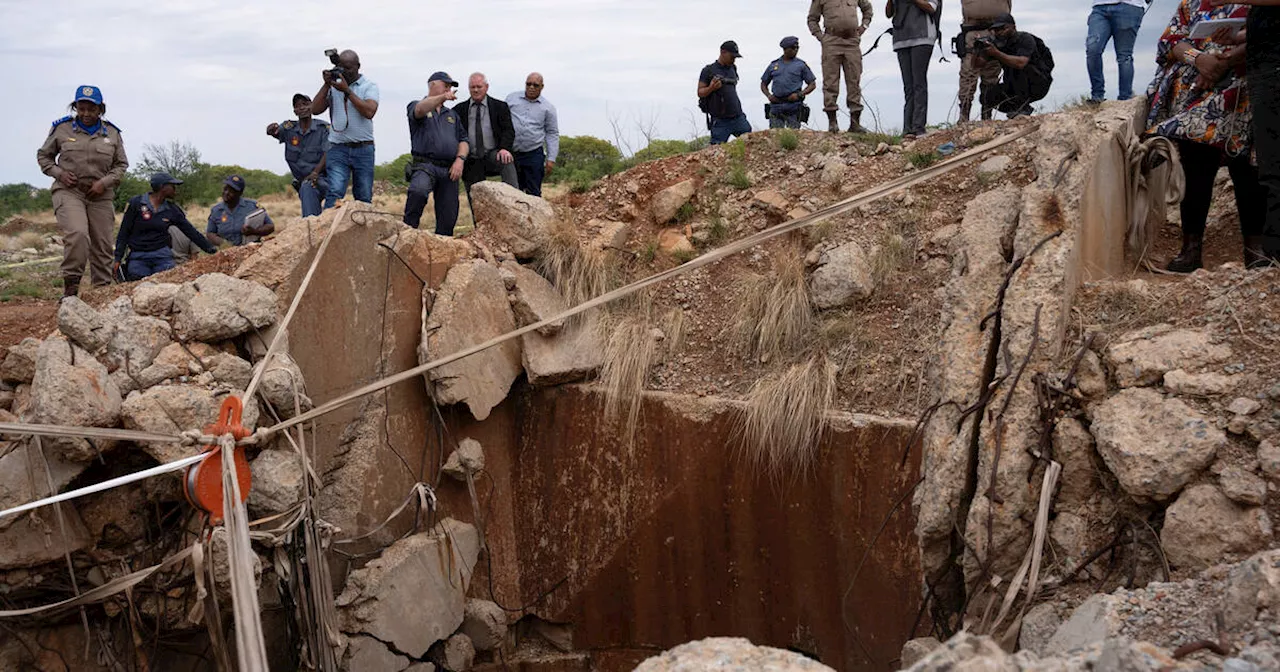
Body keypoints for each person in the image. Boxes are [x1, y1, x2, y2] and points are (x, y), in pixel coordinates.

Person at [1144, 1, 1263, 271]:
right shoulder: (1191, 4)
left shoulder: (1257, 3)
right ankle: (1190, 249)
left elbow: (1267, 36)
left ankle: (1255, 250)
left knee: (1247, 168)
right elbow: (1171, 42)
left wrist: (1223, 63)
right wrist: (1200, 60)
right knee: (1196, 167)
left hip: (1243, 93)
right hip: (1196, 96)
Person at [36, 85, 129, 297]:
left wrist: (104, 182)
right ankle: (70, 291)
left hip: (100, 195)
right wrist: (59, 173)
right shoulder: (62, 129)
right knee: (78, 235)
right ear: (76, 107)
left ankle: (101, 292)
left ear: (100, 110)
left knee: (103, 244)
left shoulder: (112, 133)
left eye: (91, 109)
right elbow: (44, 157)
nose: (86, 114)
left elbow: (121, 165)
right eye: (81, 108)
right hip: (69, 191)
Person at [1214, 0, 1280, 264]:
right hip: (1264, 70)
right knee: (1271, 168)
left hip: (1273, 72)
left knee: (1274, 169)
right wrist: (1234, 37)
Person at [311, 49, 379, 209]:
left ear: (358, 66)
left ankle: (362, 231)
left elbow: (369, 112)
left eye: (349, 68)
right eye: (342, 68)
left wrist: (347, 91)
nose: (345, 72)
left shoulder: (369, 86)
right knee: (334, 192)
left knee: (363, 196)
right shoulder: (334, 86)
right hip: (338, 148)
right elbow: (314, 109)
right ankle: (328, 230)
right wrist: (327, 84)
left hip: (363, 148)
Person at [114, 173, 215, 281]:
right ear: (162, 187)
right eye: (172, 186)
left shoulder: (171, 209)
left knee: (166, 282)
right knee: (138, 281)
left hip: (162, 256)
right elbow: (124, 232)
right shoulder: (136, 203)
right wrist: (118, 258)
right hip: (138, 256)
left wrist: (211, 250)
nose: (175, 189)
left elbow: (191, 232)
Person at [403, 72, 469, 236]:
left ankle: (443, 247)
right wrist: (442, 98)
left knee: (449, 214)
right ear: (432, 84)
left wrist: (460, 160)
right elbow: (420, 109)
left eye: (450, 86)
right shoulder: (417, 105)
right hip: (425, 165)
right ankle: (406, 233)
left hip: (449, 169)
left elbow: (464, 140)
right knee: (418, 191)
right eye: (445, 84)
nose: (449, 88)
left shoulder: (452, 115)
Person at [807, 0, 875, 133]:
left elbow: (868, 9)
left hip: (852, 41)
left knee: (854, 81)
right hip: (831, 40)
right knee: (830, 82)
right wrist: (821, 37)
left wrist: (864, 26)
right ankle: (832, 123)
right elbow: (812, 19)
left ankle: (855, 123)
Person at [976, 13, 1054, 118]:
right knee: (987, 96)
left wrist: (996, 53)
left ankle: (1022, 108)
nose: (999, 32)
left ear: (1013, 26)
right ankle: (1017, 107)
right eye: (996, 30)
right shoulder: (998, 44)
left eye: (1002, 28)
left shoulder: (1025, 39)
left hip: (1038, 83)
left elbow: (1021, 63)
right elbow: (977, 64)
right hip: (1014, 86)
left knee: (1018, 68)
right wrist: (978, 51)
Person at [453, 73, 519, 194]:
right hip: (471, 157)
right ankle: (476, 212)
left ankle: (515, 200)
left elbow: (508, 130)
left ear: (486, 87)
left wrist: (504, 148)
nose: (476, 90)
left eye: (479, 86)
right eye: (472, 87)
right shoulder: (458, 110)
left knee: (506, 159)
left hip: (493, 153)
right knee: (475, 196)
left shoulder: (500, 107)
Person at [267, 93, 329, 217]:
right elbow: (277, 131)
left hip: (324, 179)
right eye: (297, 106)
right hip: (304, 182)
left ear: (312, 106)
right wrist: (271, 131)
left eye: (305, 104)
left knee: (332, 210)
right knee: (308, 196)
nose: (301, 108)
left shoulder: (323, 128)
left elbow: (328, 153)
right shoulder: (289, 128)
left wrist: (315, 172)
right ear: (294, 111)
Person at [886, 0, 940, 139]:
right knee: (908, 86)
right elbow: (888, 13)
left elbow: (932, 7)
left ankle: (919, 127)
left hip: (922, 36)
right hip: (901, 38)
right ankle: (908, 128)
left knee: (919, 82)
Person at [957, 0, 1012, 122]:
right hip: (972, 30)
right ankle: (964, 114)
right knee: (968, 74)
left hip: (995, 30)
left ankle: (987, 113)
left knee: (991, 74)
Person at [505, 73, 560, 197]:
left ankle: (534, 216)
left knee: (534, 193)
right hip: (512, 153)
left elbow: (552, 133)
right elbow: (502, 122)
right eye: (528, 84)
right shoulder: (511, 99)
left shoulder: (548, 108)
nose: (531, 87)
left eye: (535, 85)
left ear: (542, 87)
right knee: (512, 192)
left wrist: (551, 158)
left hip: (533, 154)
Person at [1087, 0, 1150, 104]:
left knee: (1124, 56)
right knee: (1093, 50)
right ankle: (1097, 96)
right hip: (1099, 7)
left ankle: (1125, 98)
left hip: (1129, 6)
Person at [698, 41, 753, 145]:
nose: (734, 59)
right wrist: (711, 88)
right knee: (717, 150)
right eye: (732, 56)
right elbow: (700, 92)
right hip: (720, 121)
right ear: (723, 52)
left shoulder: (733, 68)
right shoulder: (708, 70)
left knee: (750, 144)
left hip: (738, 116)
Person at [761, 37, 819, 129]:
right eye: (793, 47)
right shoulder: (773, 65)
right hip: (776, 105)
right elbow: (763, 83)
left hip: (793, 105)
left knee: (794, 134)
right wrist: (769, 95)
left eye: (797, 47)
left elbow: (812, 84)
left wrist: (800, 94)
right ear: (785, 49)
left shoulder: (801, 65)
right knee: (775, 135)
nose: (795, 50)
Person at [206, 175, 275, 246]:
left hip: (251, 250)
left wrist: (254, 231)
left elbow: (270, 226)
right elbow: (210, 233)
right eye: (225, 189)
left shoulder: (252, 206)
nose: (226, 193)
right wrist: (225, 245)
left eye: (231, 191)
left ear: (240, 193)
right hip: (226, 253)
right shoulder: (216, 210)